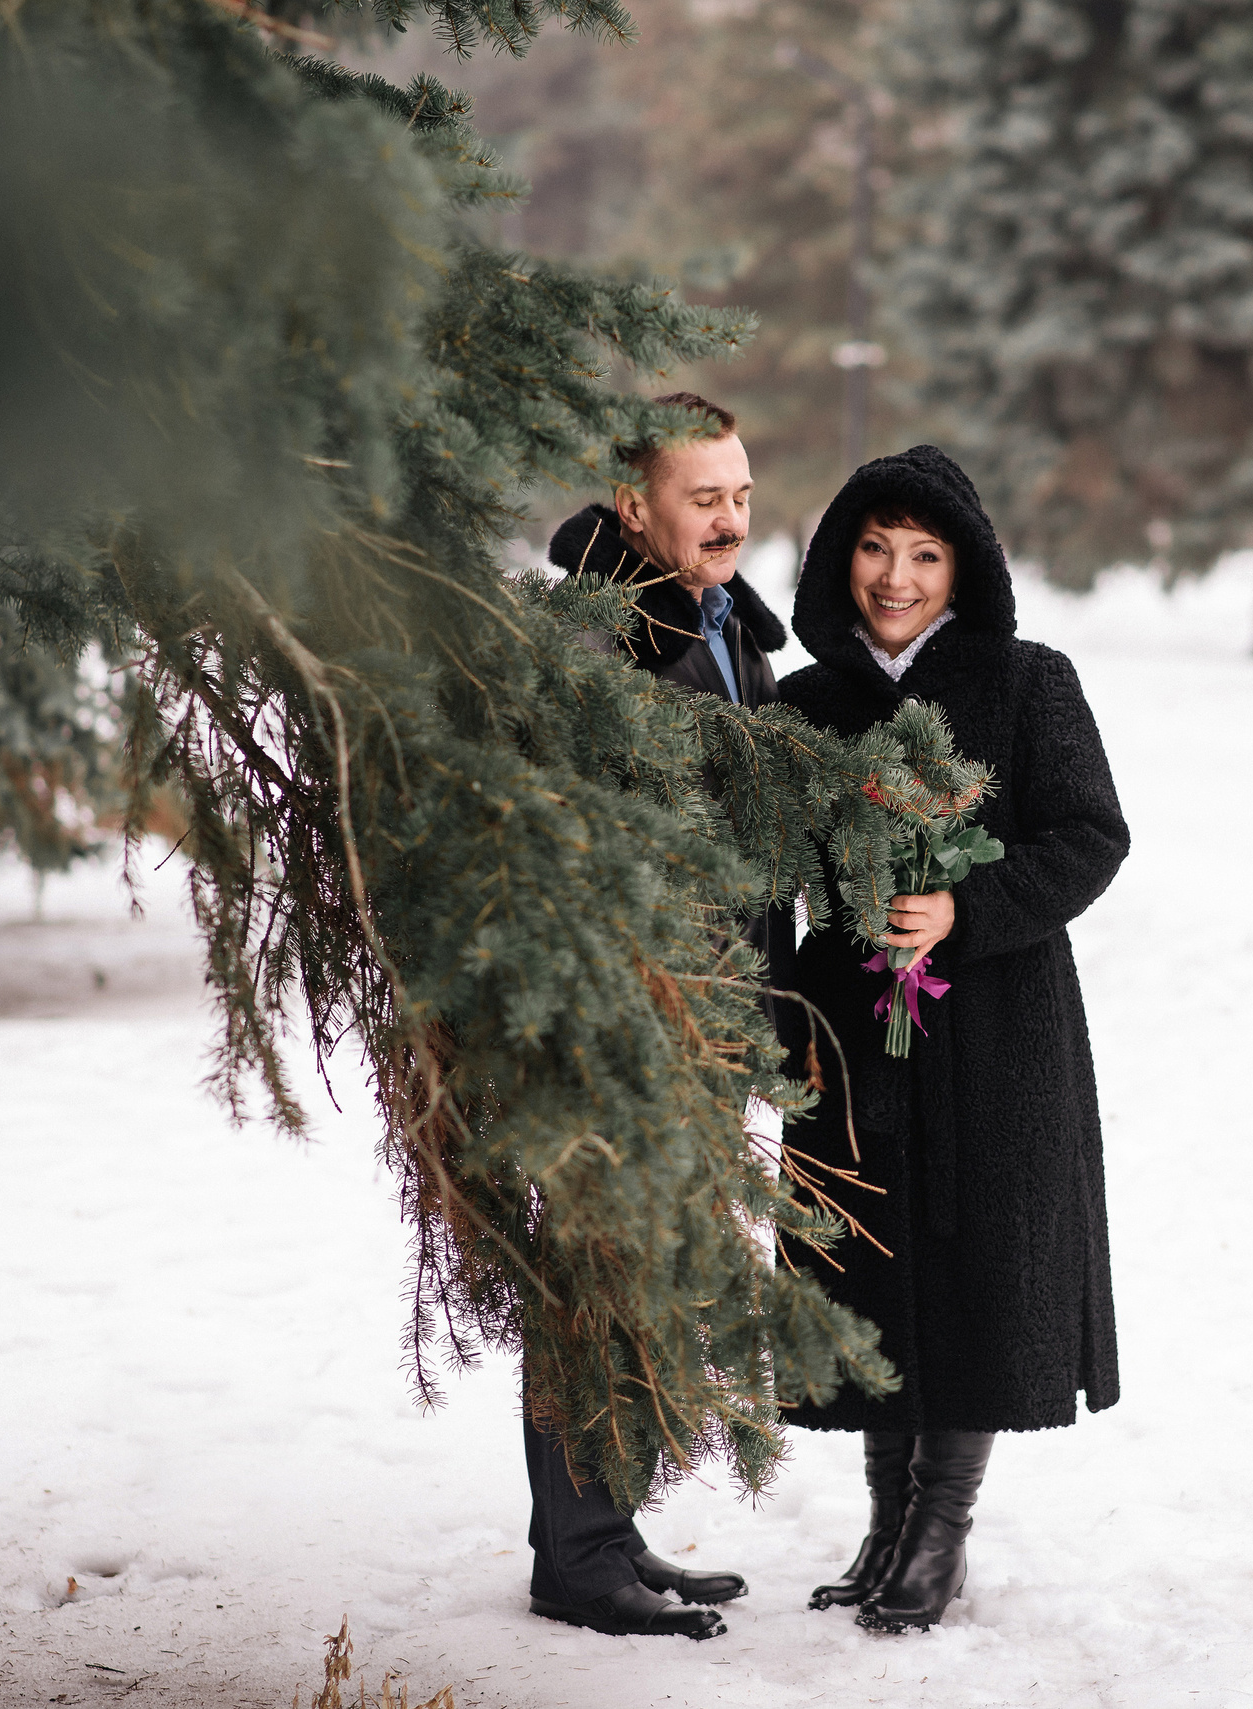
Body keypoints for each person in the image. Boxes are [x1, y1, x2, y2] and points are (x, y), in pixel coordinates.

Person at [775, 445, 1131, 1634]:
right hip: (852, 1040)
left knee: (978, 1271)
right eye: (876, 548)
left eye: (924, 555)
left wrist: (963, 908)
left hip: (995, 1039)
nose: (896, 577)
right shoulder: (804, 706)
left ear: (963, 568)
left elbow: (1090, 835)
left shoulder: (1030, 684)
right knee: (870, 1268)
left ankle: (941, 1528)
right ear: (840, 557)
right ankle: (885, 1519)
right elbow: (766, 875)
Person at [517, 392, 795, 1641]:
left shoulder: (731, 623)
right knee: (592, 1270)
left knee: (649, 1274)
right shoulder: (594, 635)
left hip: (712, 1004)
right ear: (636, 507)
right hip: (623, 1008)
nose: (731, 517)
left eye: (740, 493)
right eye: (704, 497)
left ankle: (605, 1530)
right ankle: (577, 1553)